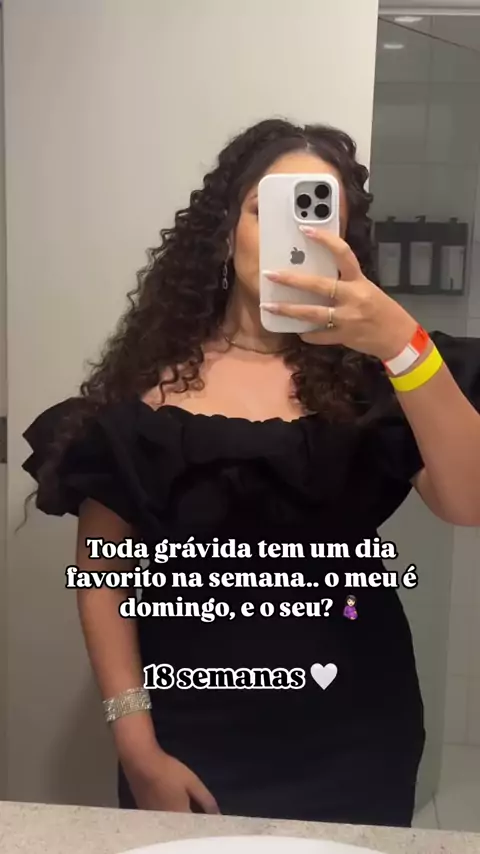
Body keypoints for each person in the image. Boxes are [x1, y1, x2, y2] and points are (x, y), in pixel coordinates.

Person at [22, 118, 480, 827]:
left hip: (358, 728)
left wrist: (402, 343)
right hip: (188, 728)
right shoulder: (147, 389)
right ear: (224, 230)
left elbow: (467, 502)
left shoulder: (383, 375)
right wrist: (135, 744)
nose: (290, 233)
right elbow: (103, 572)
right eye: (267, 209)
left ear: (344, 240)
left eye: (317, 213)